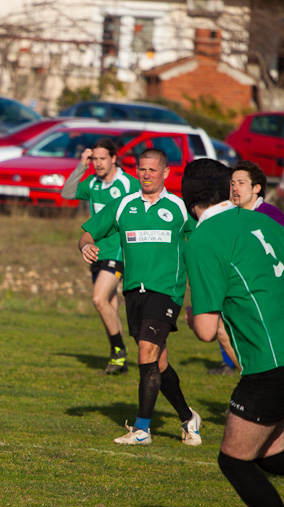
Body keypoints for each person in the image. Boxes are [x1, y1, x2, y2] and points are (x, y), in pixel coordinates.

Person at [78, 148, 202, 446]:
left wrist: (200, 295)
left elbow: (202, 247)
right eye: (141, 170)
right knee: (157, 363)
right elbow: (88, 231)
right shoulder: (123, 205)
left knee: (145, 353)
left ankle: (142, 429)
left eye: (152, 170)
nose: (146, 175)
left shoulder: (179, 208)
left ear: (166, 173)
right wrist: (84, 245)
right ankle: (188, 417)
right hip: (134, 292)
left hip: (167, 292)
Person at [182, 158, 284, 507]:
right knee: (271, 456)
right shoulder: (265, 220)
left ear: (187, 198)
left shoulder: (203, 238)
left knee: (235, 462)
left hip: (270, 362)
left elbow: (208, 331)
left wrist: (193, 314)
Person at [61, 138, 140, 374]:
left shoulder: (128, 184)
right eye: (94, 158)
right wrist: (81, 166)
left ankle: (119, 351)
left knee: (98, 299)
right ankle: (119, 359)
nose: (97, 163)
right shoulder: (93, 183)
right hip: (96, 249)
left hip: (118, 248)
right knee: (109, 306)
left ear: (114, 158)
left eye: (102, 158)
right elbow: (67, 192)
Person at [207, 160, 284, 376]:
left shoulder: (270, 215)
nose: (234, 188)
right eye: (232, 183)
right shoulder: (231, 216)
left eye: (241, 183)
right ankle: (242, 378)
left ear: (256, 188)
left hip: (268, 293)